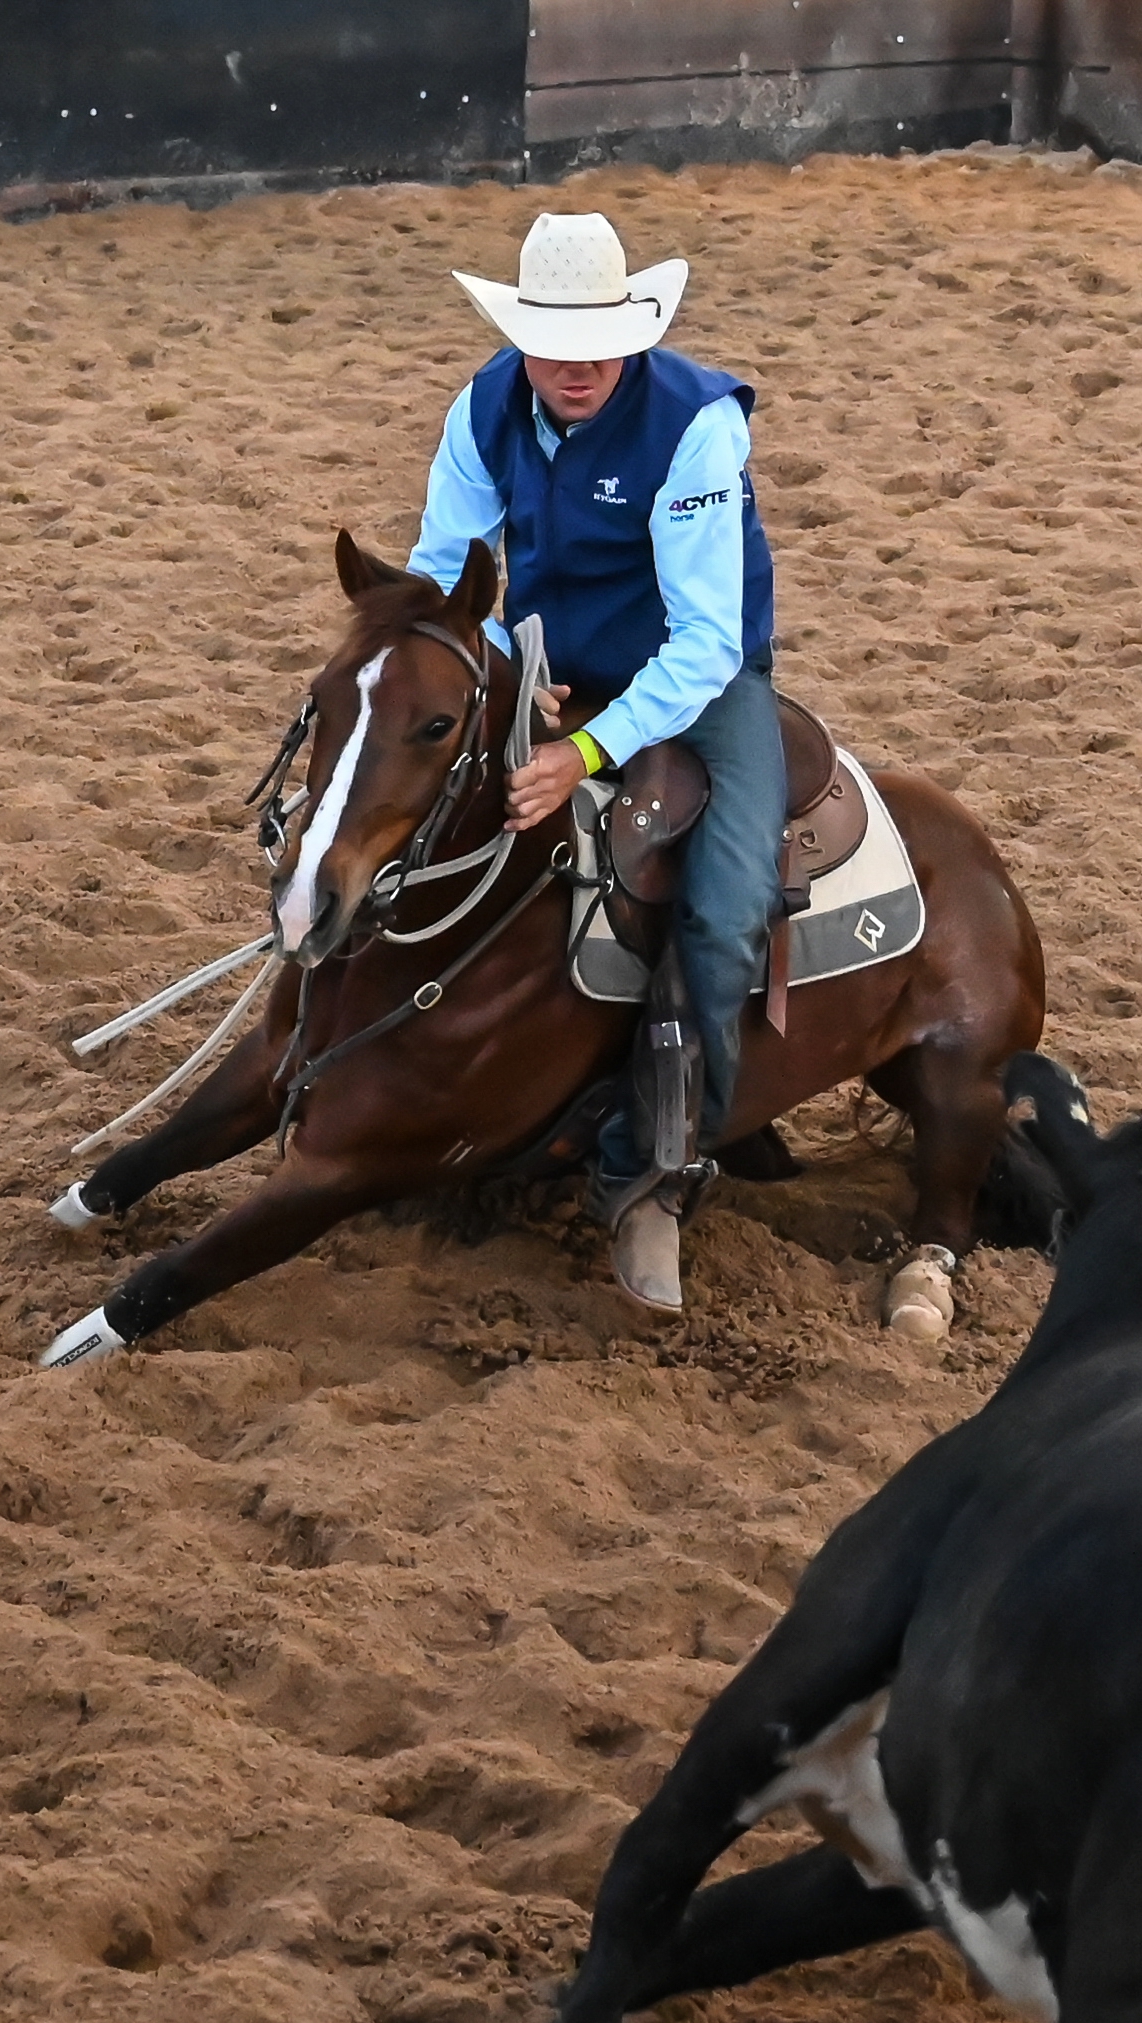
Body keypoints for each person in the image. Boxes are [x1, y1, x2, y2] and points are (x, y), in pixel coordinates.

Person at [407, 212, 786, 1316]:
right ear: (519, 339)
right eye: (550, 346)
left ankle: (656, 1166)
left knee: (725, 914)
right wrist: (504, 671)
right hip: (553, 666)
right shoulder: (484, 405)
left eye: (598, 347)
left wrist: (581, 751)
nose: (575, 370)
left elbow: (705, 642)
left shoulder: (696, 426)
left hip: (702, 686)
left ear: (633, 335)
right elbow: (444, 574)